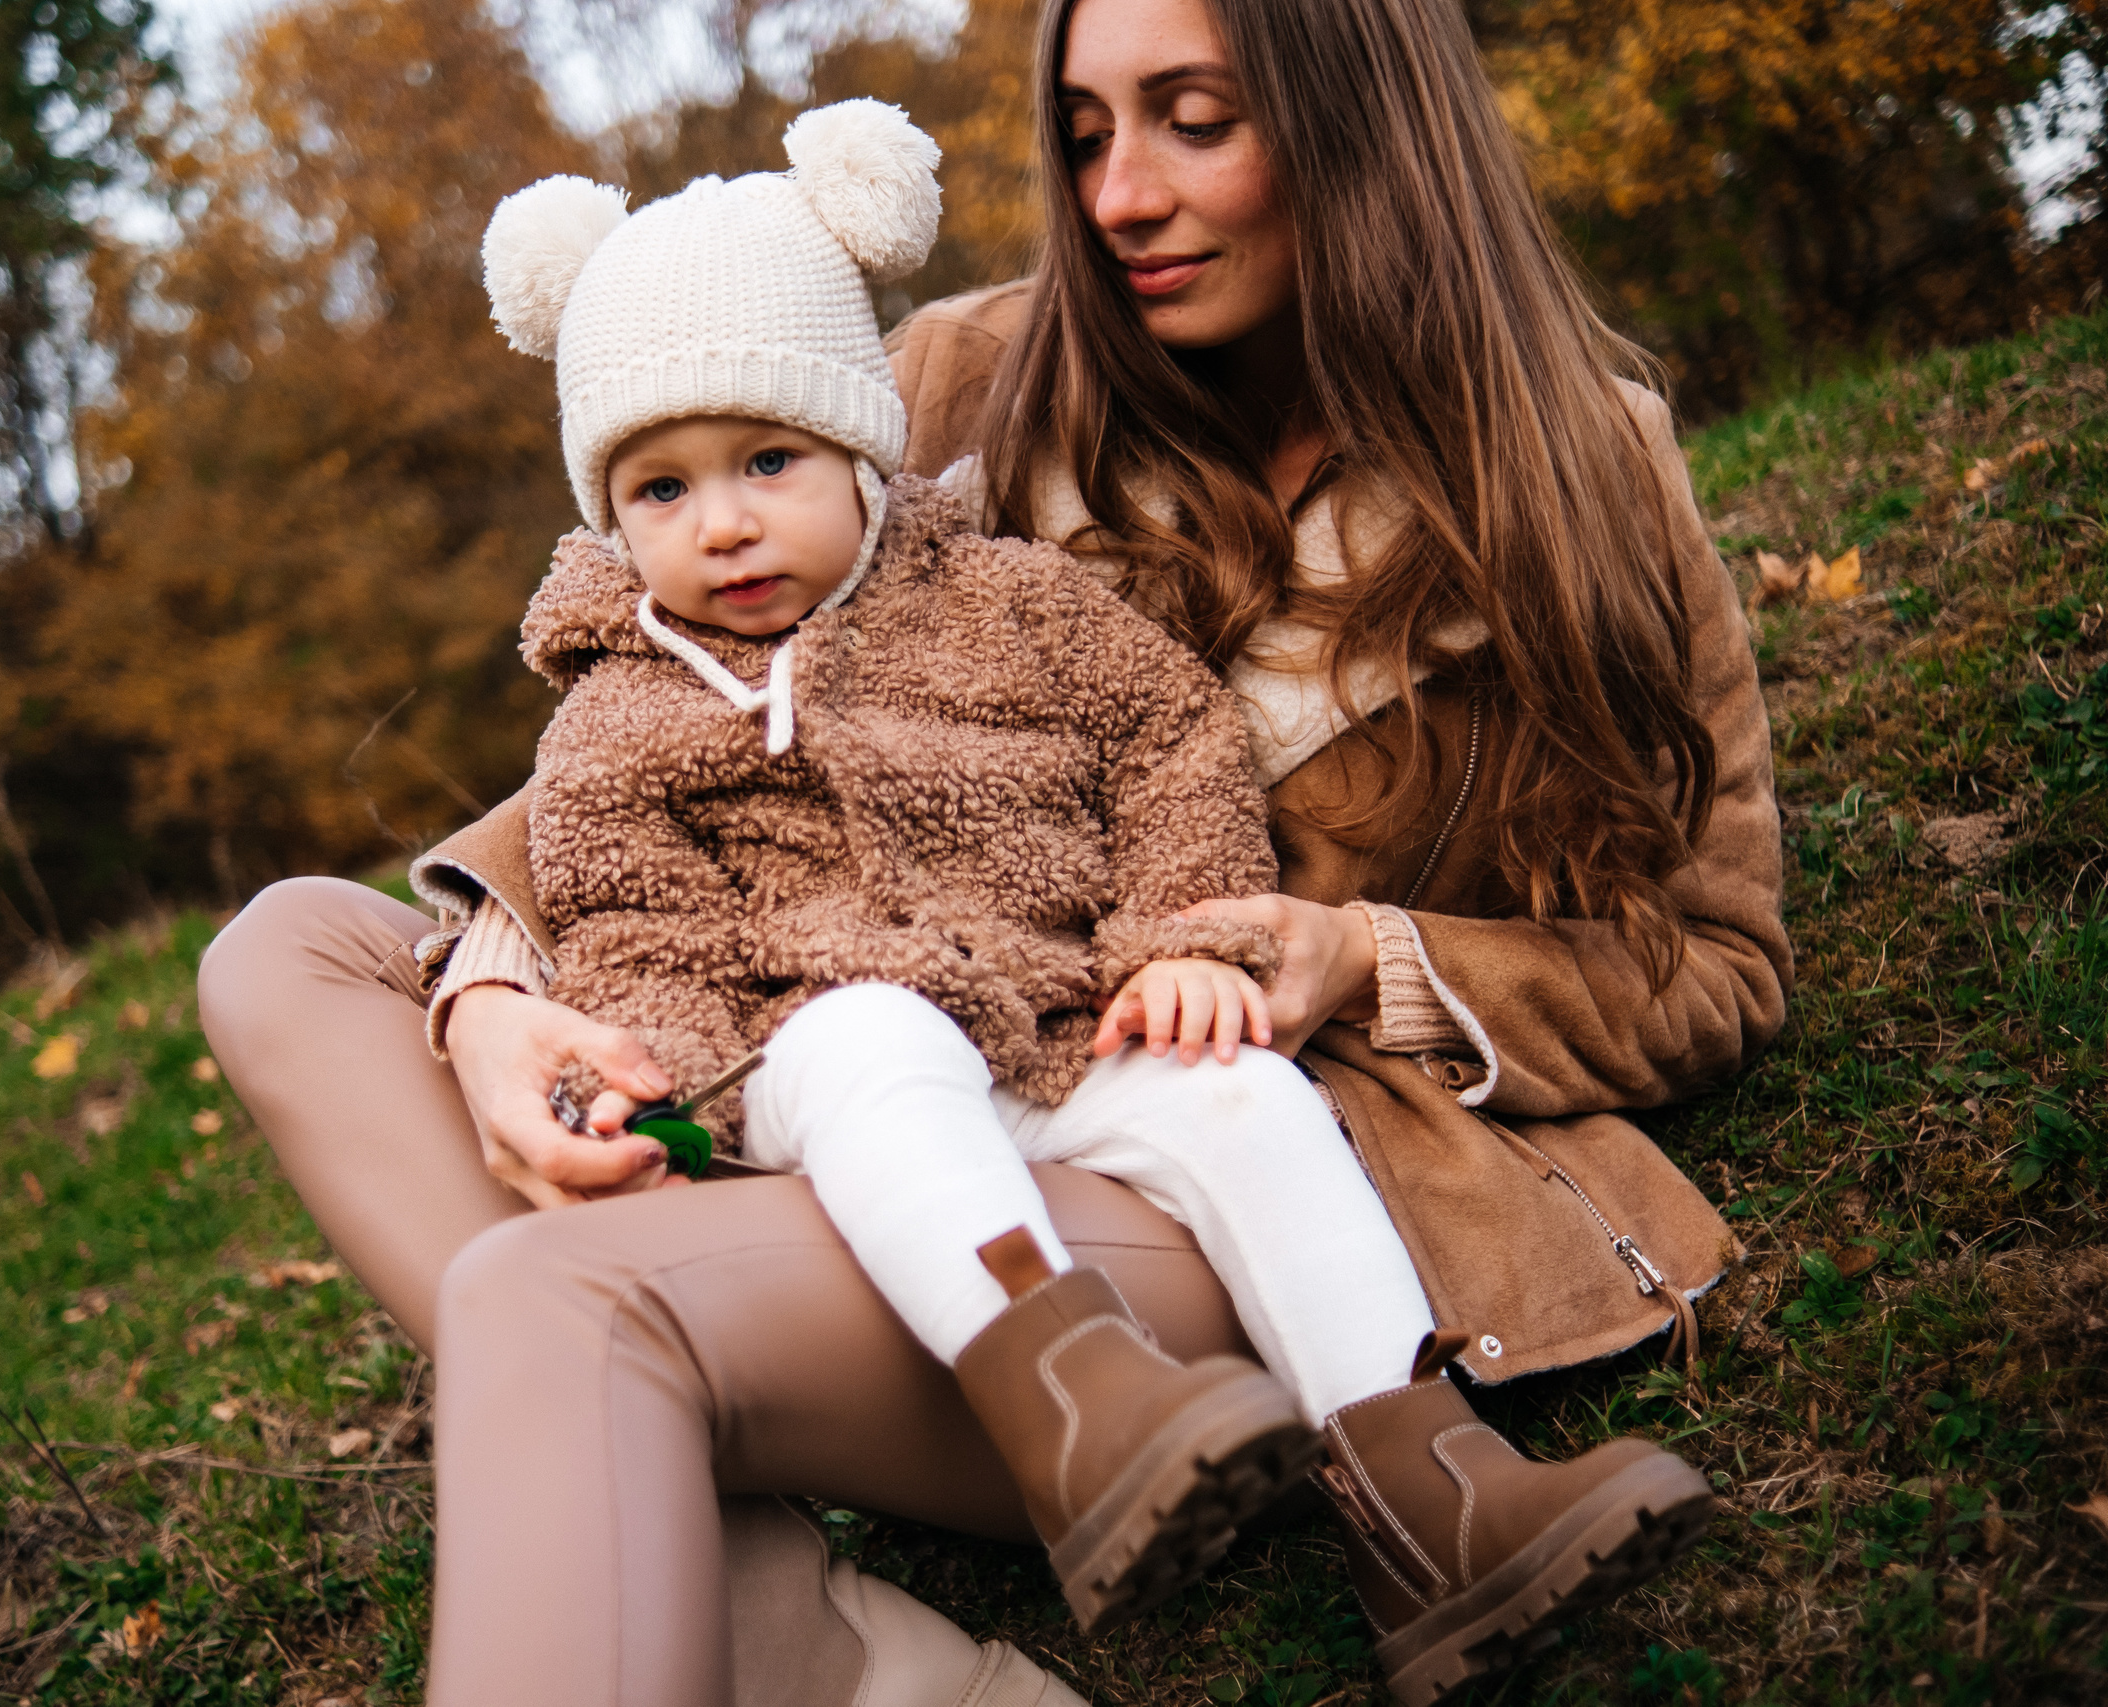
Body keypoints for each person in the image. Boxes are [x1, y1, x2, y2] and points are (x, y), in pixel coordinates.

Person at [196, 0, 1791, 1700]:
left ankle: (847, 1576)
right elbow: (672, 724)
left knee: (547, 1301)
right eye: (1088, 132)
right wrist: (498, 1002)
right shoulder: (965, 374)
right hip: (878, 1078)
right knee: (287, 948)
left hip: (1210, 1151)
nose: (1119, 196)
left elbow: (1720, 965)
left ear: (1360, 127)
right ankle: (768, 1603)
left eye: (1193, 119)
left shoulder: (1579, 462)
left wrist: (1372, 961)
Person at [478, 101, 1464, 1633]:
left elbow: (1171, 739)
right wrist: (670, 1071)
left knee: (1242, 1090)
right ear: (610, 515)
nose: (725, 524)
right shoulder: (616, 716)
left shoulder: (1002, 602)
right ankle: (1077, 1409)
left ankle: (1432, 1489)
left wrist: (1180, 942)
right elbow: (629, 917)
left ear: (861, 449)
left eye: (768, 458)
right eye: (661, 490)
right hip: (816, 1062)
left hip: (1062, 1015)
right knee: (868, 1036)